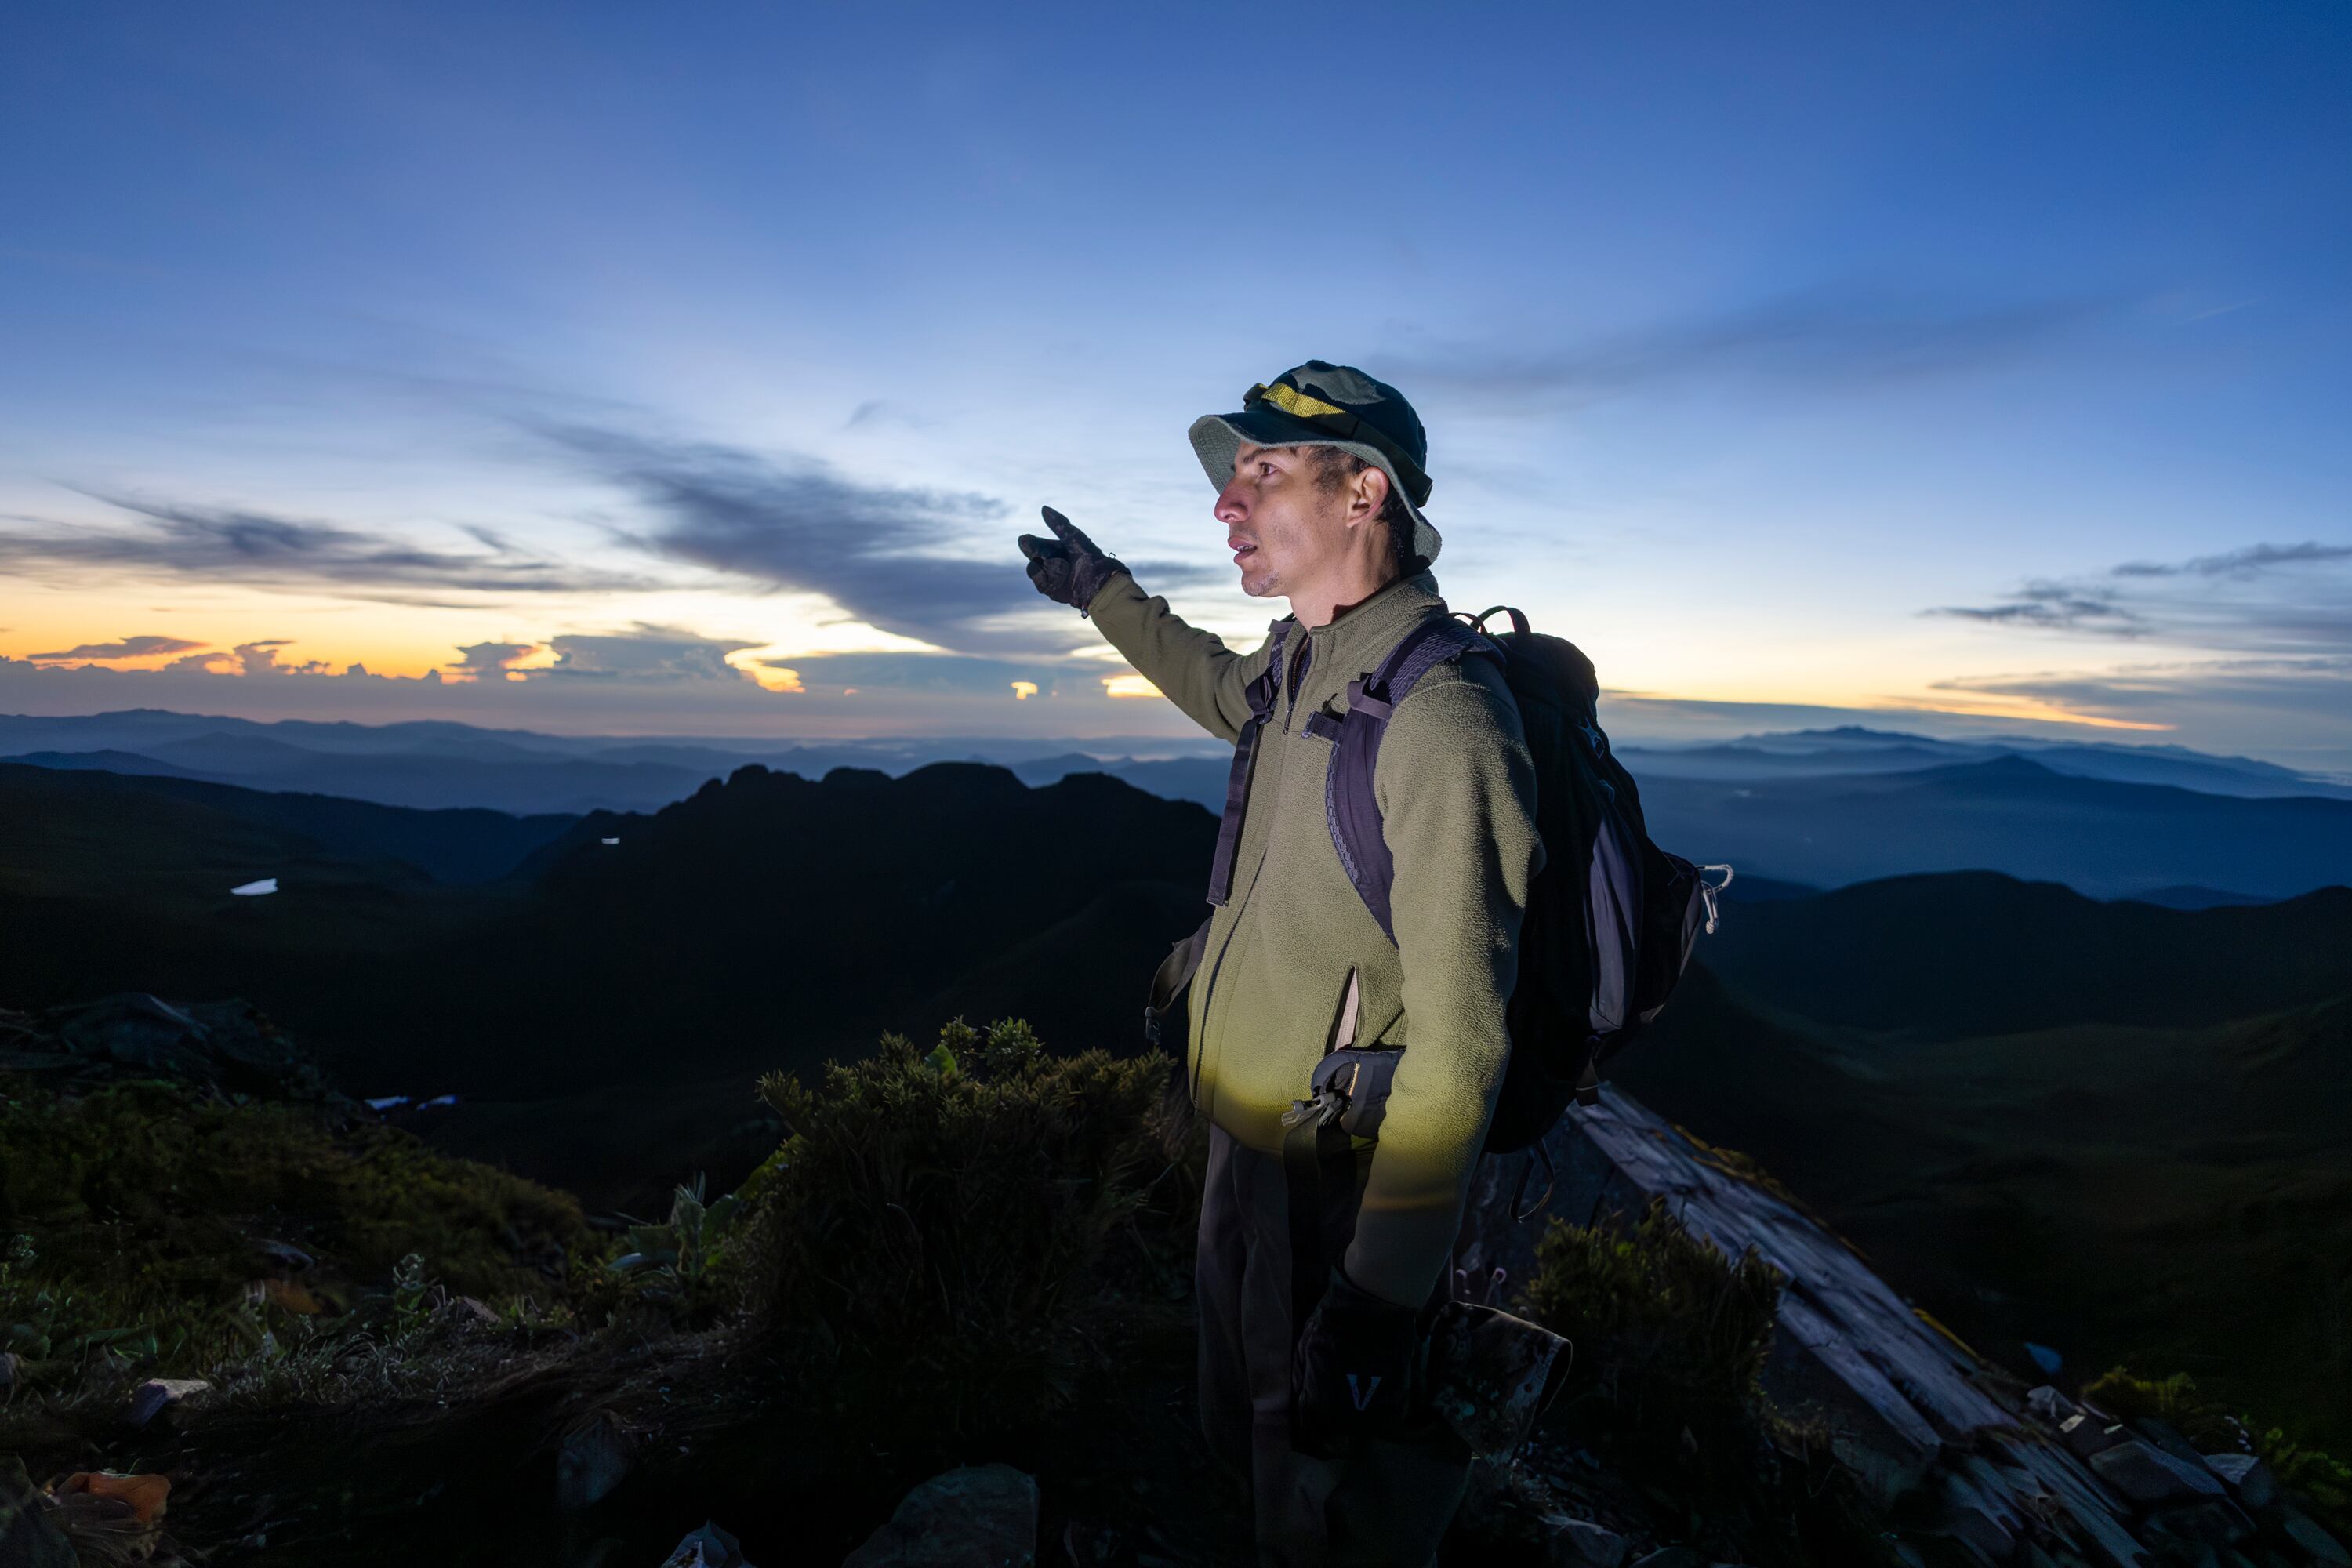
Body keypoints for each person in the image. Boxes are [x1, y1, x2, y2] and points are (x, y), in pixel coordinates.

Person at [1018, 361, 1541, 1566]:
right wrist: (1101, 592)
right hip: (1245, 1144)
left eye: (1262, 471)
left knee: (1312, 1474)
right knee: (1239, 1425)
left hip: (1331, 1185)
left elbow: (1464, 1046)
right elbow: (1214, 685)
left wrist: (1379, 1296)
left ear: (1365, 494)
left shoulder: (1441, 719)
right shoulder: (1309, 661)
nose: (1226, 504)